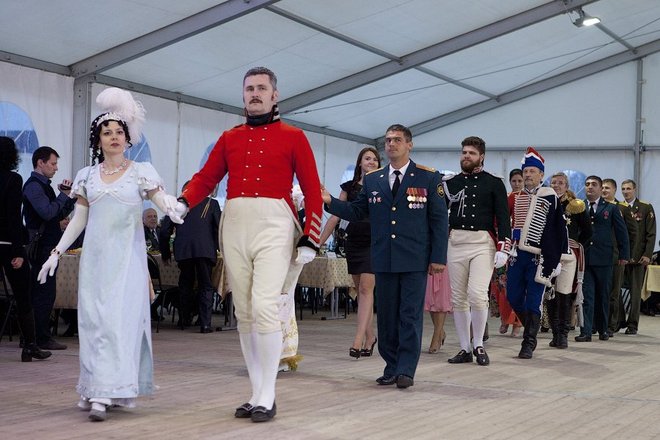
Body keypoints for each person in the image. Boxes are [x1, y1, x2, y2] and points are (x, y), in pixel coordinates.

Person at [176, 67, 323, 423]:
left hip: (275, 224)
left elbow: (312, 189)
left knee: (265, 305)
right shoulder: (230, 137)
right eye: (249, 89)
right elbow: (206, 177)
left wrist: (311, 236)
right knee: (243, 310)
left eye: (261, 88)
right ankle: (256, 392)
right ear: (243, 95)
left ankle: (268, 393)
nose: (254, 93)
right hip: (236, 223)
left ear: (275, 95)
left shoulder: (295, 136)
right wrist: (183, 201)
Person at [37, 87, 185, 422]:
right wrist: (56, 252)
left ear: (127, 137)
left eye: (119, 131)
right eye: (107, 132)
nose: (114, 137)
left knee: (118, 324)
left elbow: (159, 199)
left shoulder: (141, 171)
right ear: (98, 140)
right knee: (93, 323)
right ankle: (96, 387)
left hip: (127, 263)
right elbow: (80, 219)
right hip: (95, 262)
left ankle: (107, 390)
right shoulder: (87, 176)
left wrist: (173, 206)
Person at [322, 123, 448, 389]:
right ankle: (391, 366)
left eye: (397, 140)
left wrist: (438, 257)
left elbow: (439, 220)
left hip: (414, 258)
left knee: (410, 315)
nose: (391, 144)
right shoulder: (373, 179)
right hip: (384, 258)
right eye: (388, 140)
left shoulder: (427, 177)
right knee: (388, 316)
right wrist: (330, 200)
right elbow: (357, 212)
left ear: (409, 144)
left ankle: (406, 369)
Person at [443, 136, 511, 366]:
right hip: (455, 242)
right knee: (458, 298)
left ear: (481, 156)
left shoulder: (494, 182)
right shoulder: (450, 182)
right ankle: (464, 347)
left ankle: (478, 344)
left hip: (483, 243)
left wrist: (504, 247)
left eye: (471, 153)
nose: (466, 156)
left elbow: (503, 218)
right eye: (464, 152)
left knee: (477, 294)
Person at [318, 146, 380, 359]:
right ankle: (370, 337)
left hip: (374, 242)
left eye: (374, 159)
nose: (371, 162)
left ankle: (357, 340)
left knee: (365, 289)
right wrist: (319, 241)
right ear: (360, 162)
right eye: (367, 158)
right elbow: (335, 214)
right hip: (354, 242)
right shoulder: (349, 187)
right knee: (360, 291)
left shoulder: (382, 185)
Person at [506, 147, 566, 359]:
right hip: (516, 255)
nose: (528, 174)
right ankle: (531, 327)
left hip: (539, 256)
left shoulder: (550, 196)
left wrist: (556, 259)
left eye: (532, 171)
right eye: (526, 171)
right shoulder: (514, 197)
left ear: (541, 174)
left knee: (534, 299)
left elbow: (559, 229)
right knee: (512, 295)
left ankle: (529, 342)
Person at [0, 136, 52, 362]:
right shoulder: (13, 179)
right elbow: (12, 217)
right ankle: (30, 345)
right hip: (8, 244)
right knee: (23, 295)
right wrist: (19, 251)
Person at [22, 146, 76, 350]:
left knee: (46, 292)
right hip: (42, 247)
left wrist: (68, 197)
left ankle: (37, 336)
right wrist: (63, 196)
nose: (56, 168)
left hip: (48, 245)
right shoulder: (34, 186)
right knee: (43, 293)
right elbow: (47, 212)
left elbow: (57, 214)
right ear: (40, 163)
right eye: (53, 163)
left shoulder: (43, 185)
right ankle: (39, 337)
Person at [160, 182, 221, 333]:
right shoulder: (211, 204)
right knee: (205, 286)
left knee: (185, 285)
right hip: (205, 251)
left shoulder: (176, 205)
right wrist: (218, 248)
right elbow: (219, 229)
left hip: (184, 251)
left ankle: (184, 319)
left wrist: (166, 253)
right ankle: (205, 324)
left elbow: (164, 231)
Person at [576, 176, 629, 342]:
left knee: (603, 295)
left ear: (600, 188)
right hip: (585, 258)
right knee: (587, 296)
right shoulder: (579, 207)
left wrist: (624, 255)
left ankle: (603, 329)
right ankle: (586, 331)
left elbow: (622, 232)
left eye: (594, 184)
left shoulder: (611, 208)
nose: (590, 187)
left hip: (604, 258)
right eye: (587, 184)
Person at [548, 172, 591, 349]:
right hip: (548, 254)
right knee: (549, 295)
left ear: (567, 186)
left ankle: (563, 334)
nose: (556, 185)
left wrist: (577, 247)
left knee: (564, 294)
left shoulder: (576, 205)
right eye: (554, 182)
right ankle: (555, 333)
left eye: (560, 183)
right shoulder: (545, 203)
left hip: (568, 255)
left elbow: (588, 231)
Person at [620, 179, 656, 334]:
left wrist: (648, 254)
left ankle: (632, 324)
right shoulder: (618, 207)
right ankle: (619, 320)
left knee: (635, 293)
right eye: (623, 189)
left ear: (635, 190)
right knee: (615, 291)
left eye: (628, 189)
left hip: (638, 257)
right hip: (621, 257)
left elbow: (651, 233)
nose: (625, 192)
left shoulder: (645, 207)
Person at [602, 178, 636, 336]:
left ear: (614, 190)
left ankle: (612, 325)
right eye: (603, 187)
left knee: (614, 293)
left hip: (617, 257)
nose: (604, 190)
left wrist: (627, 255)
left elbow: (632, 233)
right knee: (603, 291)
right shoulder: (599, 207)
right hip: (601, 256)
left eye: (607, 188)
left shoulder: (622, 208)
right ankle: (603, 322)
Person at [424, 271, 451, 353]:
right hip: (425, 264)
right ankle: (440, 332)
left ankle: (436, 336)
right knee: (429, 296)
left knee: (441, 297)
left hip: (446, 265)